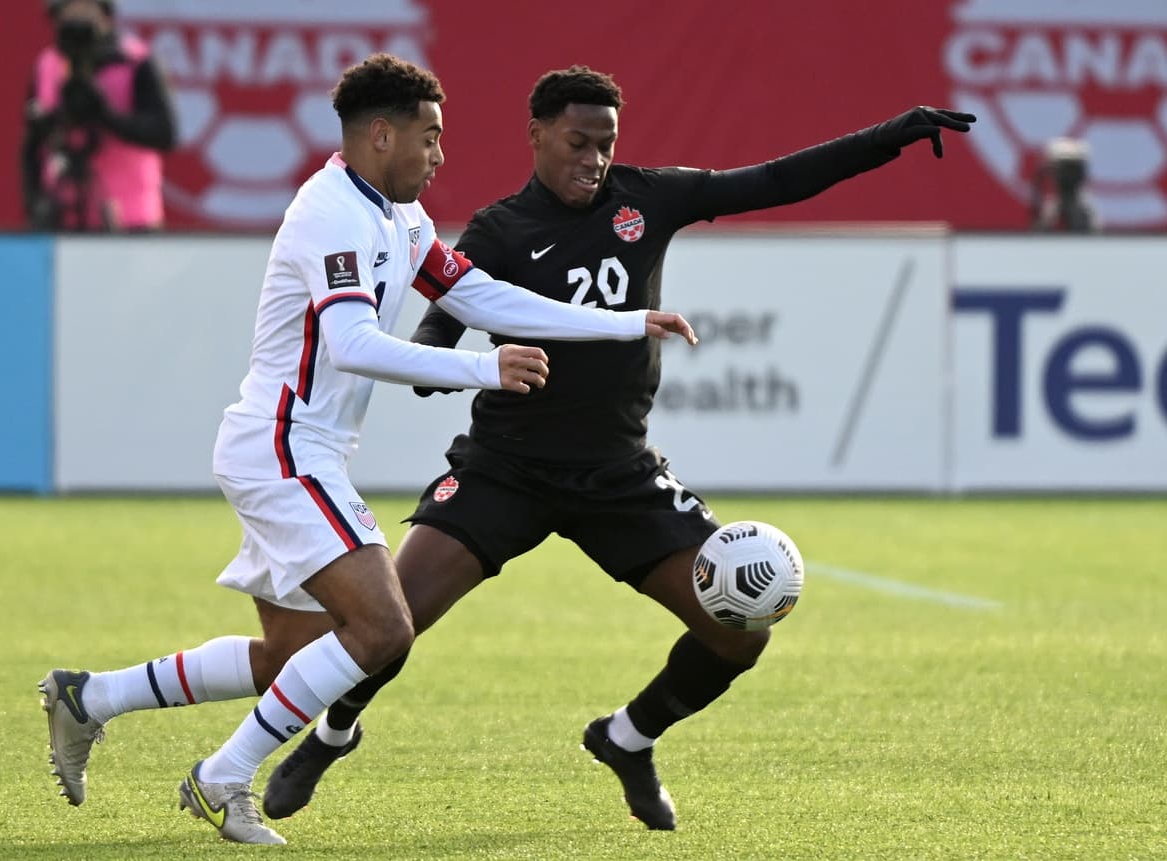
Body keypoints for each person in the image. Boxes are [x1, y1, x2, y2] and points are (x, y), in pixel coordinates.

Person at [261, 66, 975, 831]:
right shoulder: (501, 229)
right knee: (390, 621)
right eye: (577, 143)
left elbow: (774, 181)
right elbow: (446, 320)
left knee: (739, 631)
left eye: (605, 144)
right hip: (506, 470)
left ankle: (628, 737)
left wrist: (888, 138)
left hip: (620, 473)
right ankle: (335, 732)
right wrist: (438, 360)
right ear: (536, 136)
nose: (593, 160)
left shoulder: (651, 197)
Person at [38, 54, 696, 846]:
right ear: (380, 135)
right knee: (384, 628)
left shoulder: (398, 214)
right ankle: (222, 775)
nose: (440, 154)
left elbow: (476, 293)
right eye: (430, 137)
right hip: (283, 448)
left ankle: (90, 697)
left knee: (297, 653)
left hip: (300, 448)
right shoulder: (332, 214)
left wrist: (626, 322)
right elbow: (352, 343)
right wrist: (485, 366)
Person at [21, 0, 177, 231]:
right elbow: (32, 145)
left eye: (84, 9)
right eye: (67, 11)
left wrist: (105, 115)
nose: (76, 18)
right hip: (62, 213)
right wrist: (35, 201)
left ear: (104, 11)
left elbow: (164, 133)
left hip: (129, 217)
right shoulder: (48, 64)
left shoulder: (135, 61)